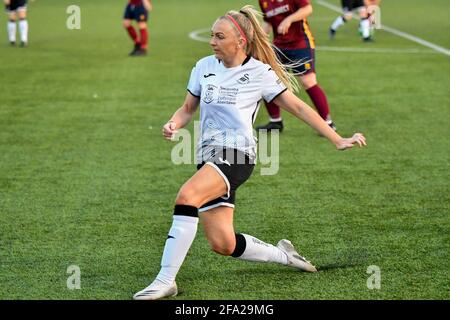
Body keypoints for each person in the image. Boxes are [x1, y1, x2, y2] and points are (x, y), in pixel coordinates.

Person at [133, 5, 366, 300]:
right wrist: (173, 123)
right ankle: (285, 255)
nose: (212, 41)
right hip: (208, 156)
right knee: (223, 243)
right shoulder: (203, 66)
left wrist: (336, 138)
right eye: (212, 35)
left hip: (238, 155)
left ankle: (166, 280)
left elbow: (297, 106)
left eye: (219, 36)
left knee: (186, 196)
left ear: (240, 42)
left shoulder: (260, 73)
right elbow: (188, 108)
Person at [256, 0, 336, 133]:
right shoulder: (264, 1)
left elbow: (307, 9)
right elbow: (268, 21)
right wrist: (258, 41)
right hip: (279, 45)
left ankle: (328, 123)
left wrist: (289, 19)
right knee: (266, 78)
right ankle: (275, 121)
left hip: (300, 44)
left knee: (308, 81)